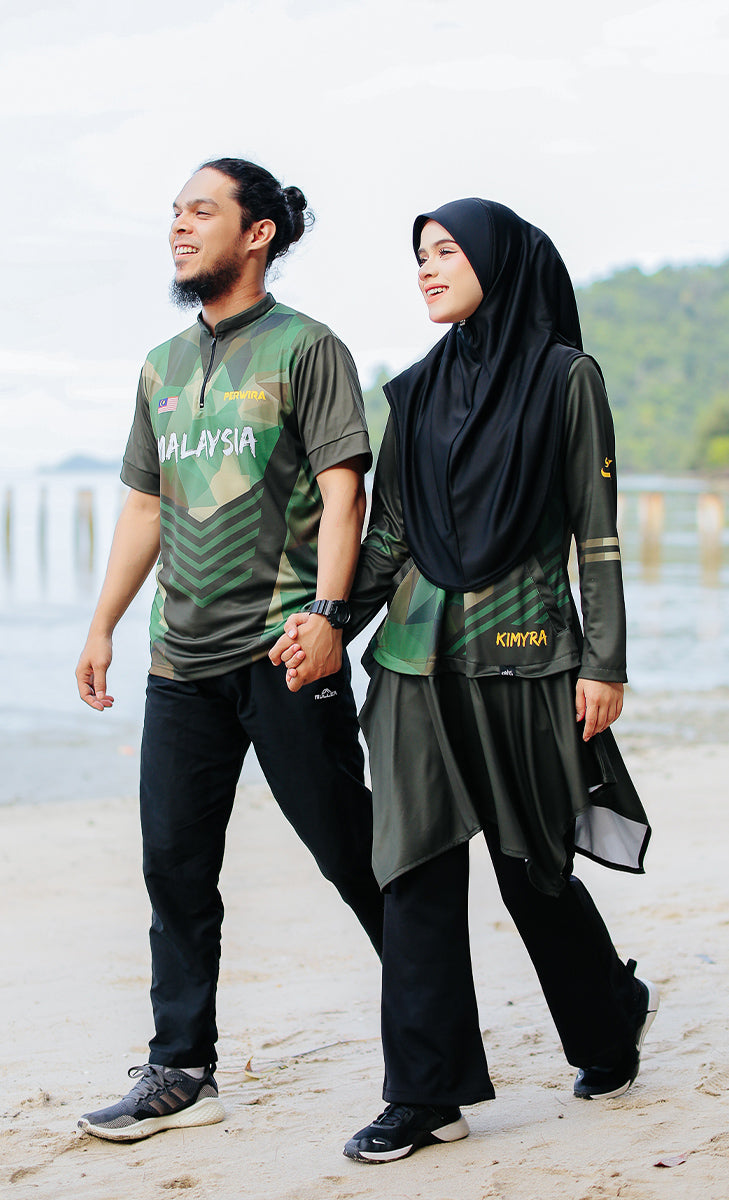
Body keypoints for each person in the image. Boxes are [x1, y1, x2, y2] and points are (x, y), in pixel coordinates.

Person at [271, 198, 659, 1163]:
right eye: (419, 255)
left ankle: (608, 1018)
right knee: (412, 871)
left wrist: (604, 662)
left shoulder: (566, 379)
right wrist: (330, 620)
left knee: (534, 871)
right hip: (412, 664)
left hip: (525, 657)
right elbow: (390, 537)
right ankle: (426, 1094)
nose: (427, 268)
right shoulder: (413, 392)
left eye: (446, 251)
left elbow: (596, 535)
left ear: (498, 260)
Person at [74, 157, 384, 1142]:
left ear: (257, 234)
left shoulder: (306, 347)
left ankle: (436, 1040)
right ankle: (180, 1068)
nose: (179, 226)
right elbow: (144, 506)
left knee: (350, 852)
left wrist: (330, 617)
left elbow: (343, 492)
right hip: (180, 662)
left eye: (201, 211)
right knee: (173, 867)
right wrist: (103, 624)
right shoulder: (161, 367)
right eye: (173, 212)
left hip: (284, 648)